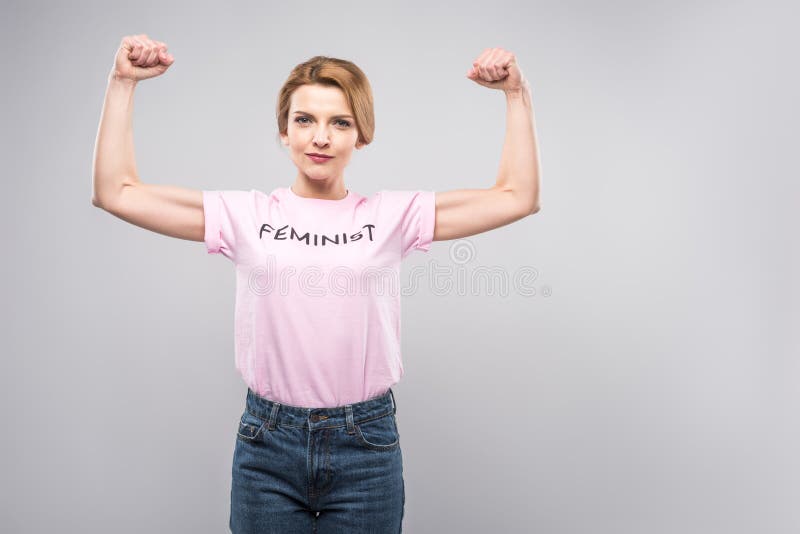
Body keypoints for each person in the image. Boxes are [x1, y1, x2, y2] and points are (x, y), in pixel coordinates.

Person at [92, 33, 541, 534]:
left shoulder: (393, 215)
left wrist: (515, 95)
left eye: (340, 122)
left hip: (366, 447)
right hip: (268, 445)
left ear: (361, 135)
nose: (320, 137)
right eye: (304, 120)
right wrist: (122, 83)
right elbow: (116, 191)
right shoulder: (246, 215)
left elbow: (518, 196)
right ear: (284, 132)